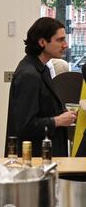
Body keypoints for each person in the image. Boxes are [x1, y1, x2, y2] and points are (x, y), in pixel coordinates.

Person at [6, 17, 76, 157]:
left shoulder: (42, 69)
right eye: (60, 40)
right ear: (42, 42)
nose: (65, 45)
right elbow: (25, 125)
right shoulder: (29, 75)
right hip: (35, 160)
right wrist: (58, 121)